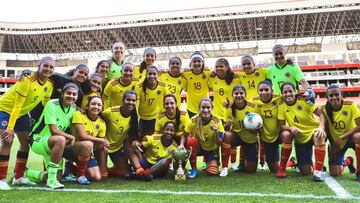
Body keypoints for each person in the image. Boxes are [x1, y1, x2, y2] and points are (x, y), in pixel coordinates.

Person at [0, 57, 54, 190]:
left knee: (25, 143)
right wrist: (10, 128)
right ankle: (1, 179)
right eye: (45, 66)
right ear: (39, 66)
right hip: (4, 110)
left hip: (22, 114)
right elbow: (17, 106)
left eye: (51, 67)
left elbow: (45, 105)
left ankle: (18, 177)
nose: (48, 69)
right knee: (7, 140)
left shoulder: (49, 85)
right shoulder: (26, 80)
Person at [29, 83, 78, 189]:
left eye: (74, 94)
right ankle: (51, 181)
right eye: (68, 93)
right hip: (38, 138)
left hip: (54, 143)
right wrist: (71, 137)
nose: (71, 96)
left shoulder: (74, 108)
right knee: (61, 139)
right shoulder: (52, 104)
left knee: (58, 177)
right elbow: (54, 130)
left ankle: (27, 172)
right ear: (62, 94)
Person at [277, 82, 326, 181]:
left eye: (290, 91)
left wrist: (321, 127)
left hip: (313, 131)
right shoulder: (281, 106)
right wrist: (291, 128)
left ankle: (318, 172)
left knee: (318, 135)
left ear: (295, 91)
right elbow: (281, 125)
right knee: (305, 172)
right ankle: (297, 162)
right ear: (282, 94)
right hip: (300, 137)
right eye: (285, 92)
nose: (288, 94)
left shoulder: (304, 100)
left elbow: (321, 114)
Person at [322, 85, 360, 180]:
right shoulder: (323, 109)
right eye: (331, 95)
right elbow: (327, 130)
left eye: (336, 94)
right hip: (337, 142)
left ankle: (359, 171)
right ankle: (348, 161)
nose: (334, 97)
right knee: (334, 173)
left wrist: (342, 136)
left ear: (341, 95)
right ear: (327, 97)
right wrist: (333, 145)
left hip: (351, 137)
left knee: (358, 136)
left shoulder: (350, 105)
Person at [179, 97, 224, 178]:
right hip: (199, 148)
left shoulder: (217, 121)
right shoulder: (193, 120)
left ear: (212, 108)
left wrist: (216, 132)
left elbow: (219, 143)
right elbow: (184, 135)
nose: (205, 110)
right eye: (203, 107)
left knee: (212, 172)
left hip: (211, 150)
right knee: (190, 141)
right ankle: (194, 169)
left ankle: (209, 162)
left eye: (208, 107)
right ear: (199, 108)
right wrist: (181, 145)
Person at [102, 91, 143, 179]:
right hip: (103, 147)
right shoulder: (110, 112)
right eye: (128, 100)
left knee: (126, 172)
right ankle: (75, 169)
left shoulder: (134, 116)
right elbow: (97, 122)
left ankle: (109, 169)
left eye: (133, 100)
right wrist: (103, 138)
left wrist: (135, 141)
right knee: (102, 176)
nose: (131, 102)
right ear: (122, 100)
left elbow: (132, 133)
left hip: (116, 148)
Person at [220, 85, 259, 177]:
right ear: (232, 95)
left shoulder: (253, 106)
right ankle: (224, 168)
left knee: (250, 170)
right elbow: (224, 129)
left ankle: (242, 162)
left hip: (250, 138)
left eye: (241, 93)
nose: (239, 95)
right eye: (236, 93)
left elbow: (259, 125)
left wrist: (255, 130)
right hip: (237, 136)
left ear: (245, 94)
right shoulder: (229, 108)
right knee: (227, 135)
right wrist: (227, 126)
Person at [70, 96, 108, 182]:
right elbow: (81, 136)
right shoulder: (79, 114)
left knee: (96, 177)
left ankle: (71, 169)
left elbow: (101, 143)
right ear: (88, 105)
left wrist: (105, 144)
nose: (96, 107)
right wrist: (101, 140)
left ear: (102, 108)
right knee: (88, 144)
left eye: (99, 105)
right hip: (72, 147)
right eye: (93, 104)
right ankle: (79, 175)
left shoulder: (102, 123)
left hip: (86, 152)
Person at [253, 80, 283, 172]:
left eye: (266, 90)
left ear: (272, 91)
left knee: (287, 135)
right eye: (261, 90)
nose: (264, 92)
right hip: (268, 137)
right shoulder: (254, 102)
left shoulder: (279, 99)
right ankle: (292, 162)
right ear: (258, 92)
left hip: (281, 133)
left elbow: (292, 96)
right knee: (274, 169)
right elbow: (241, 101)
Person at [135, 66, 168, 137]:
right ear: (146, 75)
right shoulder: (139, 87)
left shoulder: (163, 86)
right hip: (142, 118)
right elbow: (136, 104)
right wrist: (136, 117)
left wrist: (164, 114)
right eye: (150, 74)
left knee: (153, 139)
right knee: (141, 138)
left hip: (155, 118)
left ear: (158, 75)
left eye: (154, 74)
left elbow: (167, 101)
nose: (152, 76)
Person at [182, 51, 211, 118]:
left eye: (199, 61)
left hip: (205, 108)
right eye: (194, 61)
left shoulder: (208, 73)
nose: (196, 63)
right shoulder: (186, 74)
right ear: (191, 63)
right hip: (191, 108)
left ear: (203, 63)